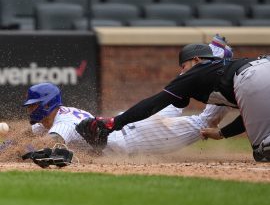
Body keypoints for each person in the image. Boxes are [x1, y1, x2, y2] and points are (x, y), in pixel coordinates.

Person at [23, 36, 234, 156]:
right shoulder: (48, 120)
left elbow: (52, 141)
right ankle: (213, 57)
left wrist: (24, 151)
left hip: (138, 136)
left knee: (204, 122)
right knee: (177, 99)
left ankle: (216, 61)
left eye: (34, 105)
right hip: (126, 125)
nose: (31, 109)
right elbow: (27, 134)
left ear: (47, 104)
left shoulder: (63, 122)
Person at [76, 37, 270, 162]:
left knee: (263, 151)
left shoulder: (196, 72)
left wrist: (113, 123)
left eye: (183, 65)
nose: (182, 72)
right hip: (261, 68)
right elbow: (249, 116)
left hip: (251, 77)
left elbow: (154, 104)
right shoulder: (220, 69)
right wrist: (222, 134)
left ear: (196, 60)